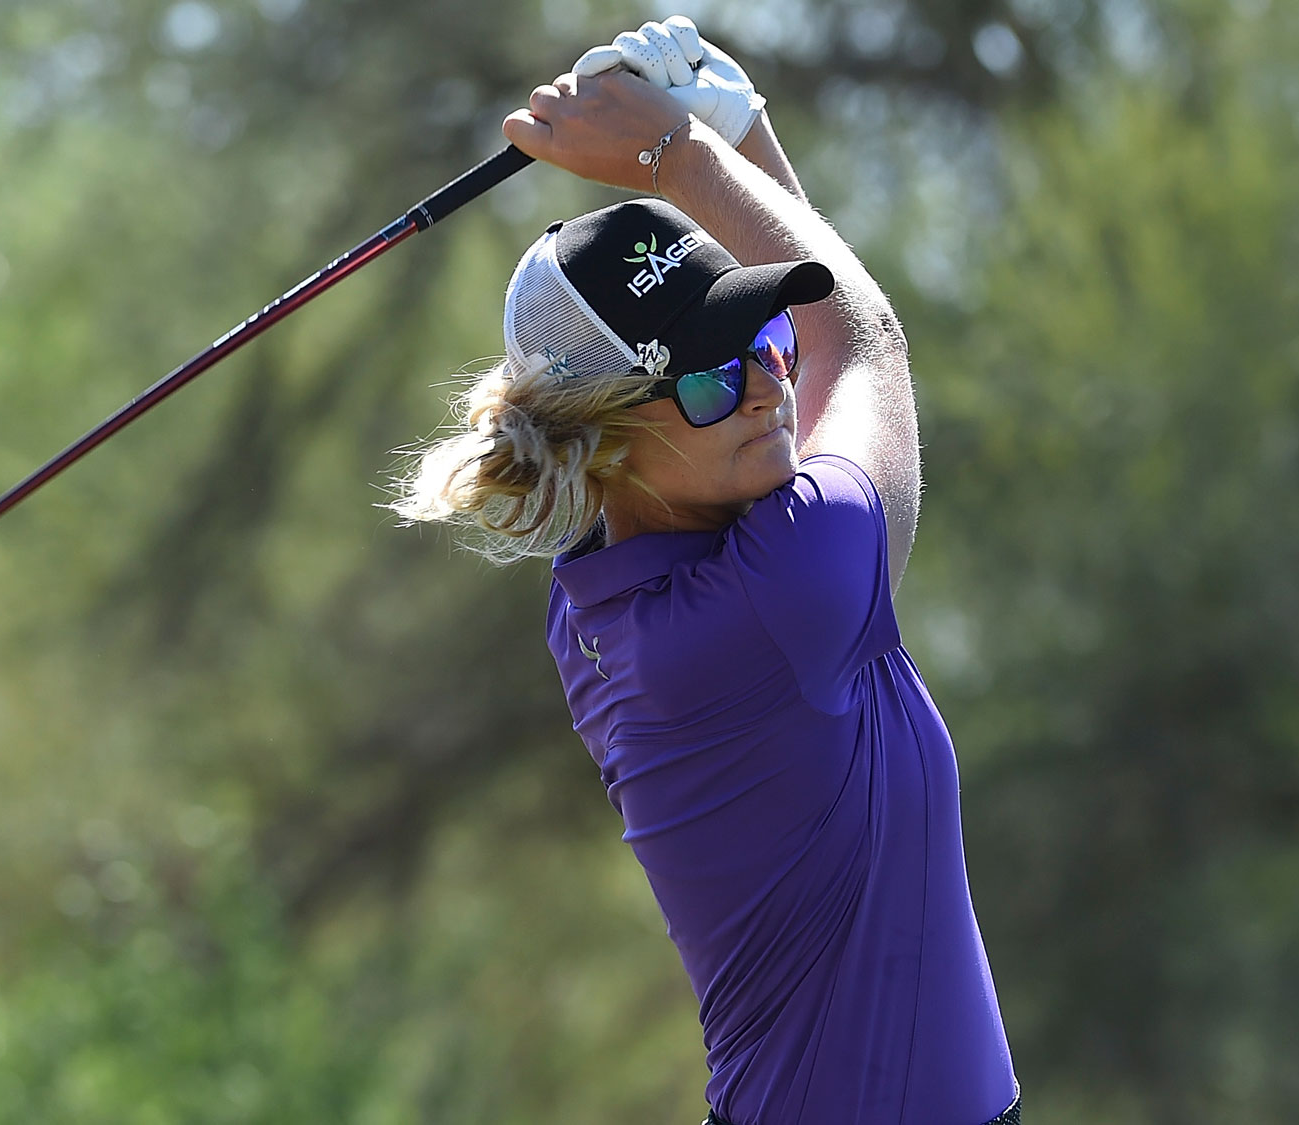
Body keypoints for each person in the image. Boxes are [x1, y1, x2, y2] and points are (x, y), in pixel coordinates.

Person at [392, 17, 1019, 1125]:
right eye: (706, 379)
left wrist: (731, 141)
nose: (764, 389)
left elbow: (814, 332)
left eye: (757, 344)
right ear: (599, 438)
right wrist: (684, 152)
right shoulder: (780, 597)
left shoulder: (600, 590)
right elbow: (861, 341)